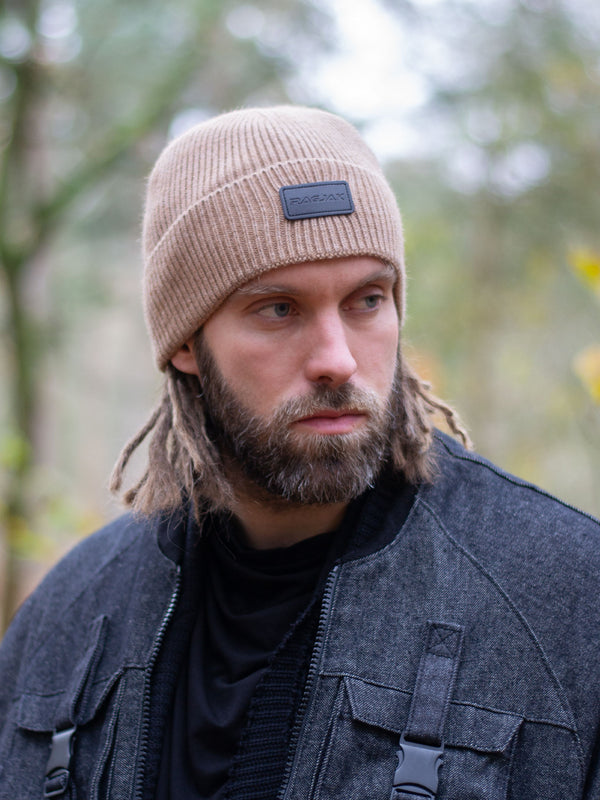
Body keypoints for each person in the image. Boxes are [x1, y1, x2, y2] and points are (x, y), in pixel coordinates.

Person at [0, 105, 598, 800]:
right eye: (278, 309)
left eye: (367, 300)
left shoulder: (569, 605)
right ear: (187, 344)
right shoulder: (68, 615)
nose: (337, 360)